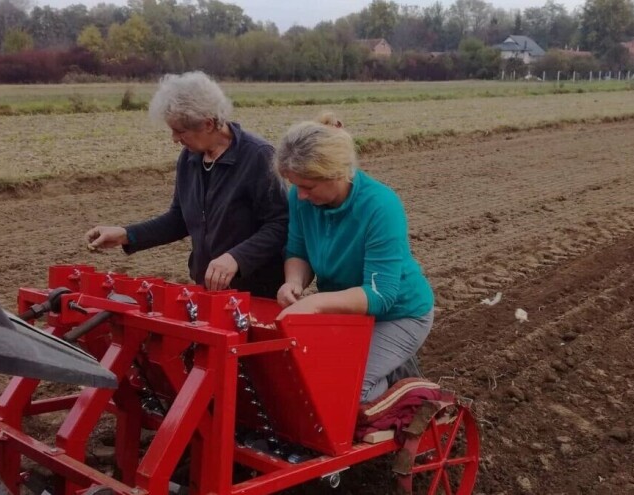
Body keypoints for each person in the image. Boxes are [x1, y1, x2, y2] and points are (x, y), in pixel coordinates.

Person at [273, 113, 434, 403]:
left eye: (309, 186)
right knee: (307, 379)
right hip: (346, 310)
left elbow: (381, 295)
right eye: (297, 186)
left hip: (399, 313)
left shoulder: (380, 206)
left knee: (347, 390)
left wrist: (315, 303)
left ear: (336, 173)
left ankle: (405, 403)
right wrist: (293, 282)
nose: (302, 196)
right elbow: (297, 251)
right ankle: (391, 372)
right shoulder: (301, 198)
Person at [85, 72, 287, 297]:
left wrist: (236, 258)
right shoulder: (190, 158)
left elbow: (279, 224)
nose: (174, 138)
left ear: (208, 124)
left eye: (180, 131)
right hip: (207, 289)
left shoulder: (257, 156)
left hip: (256, 292)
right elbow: (179, 219)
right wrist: (125, 234)